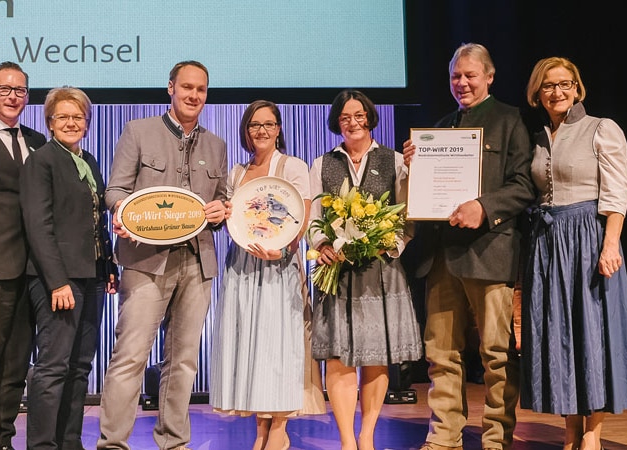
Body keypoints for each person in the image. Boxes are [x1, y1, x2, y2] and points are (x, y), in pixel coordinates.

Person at [402, 43, 535, 450]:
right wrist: (414, 167)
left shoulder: (510, 120)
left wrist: (484, 207)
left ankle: (496, 438)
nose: (462, 83)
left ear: (489, 77)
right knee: (440, 352)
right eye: (455, 76)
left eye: (470, 75)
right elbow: (425, 194)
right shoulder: (439, 128)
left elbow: (524, 185)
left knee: (496, 353)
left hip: (489, 251)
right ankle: (444, 436)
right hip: (441, 256)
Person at [97, 60, 230, 450]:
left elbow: (222, 200)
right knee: (130, 356)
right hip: (145, 260)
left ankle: (174, 442)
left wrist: (222, 211)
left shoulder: (216, 145)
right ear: (170, 88)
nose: (193, 95)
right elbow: (115, 190)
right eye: (186, 87)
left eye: (201, 89)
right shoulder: (138, 131)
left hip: (198, 261)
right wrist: (121, 211)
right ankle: (112, 444)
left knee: (184, 361)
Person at [520, 57, 627, 450]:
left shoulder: (601, 128)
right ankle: (571, 430)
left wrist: (610, 244)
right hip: (548, 243)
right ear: (537, 93)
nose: (557, 92)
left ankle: (593, 433)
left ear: (577, 88)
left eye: (565, 84)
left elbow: (617, 191)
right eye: (548, 85)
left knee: (593, 334)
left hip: (589, 238)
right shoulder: (538, 137)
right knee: (560, 336)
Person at [309, 89, 422, 450]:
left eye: (359, 115)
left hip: (382, 271)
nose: (353, 122)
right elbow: (313, 218)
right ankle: (346, 440)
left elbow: (407, 216)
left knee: (376, 358)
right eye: (345, 117)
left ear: (370, 118)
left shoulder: (395, 161)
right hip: (338, 272)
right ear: (336, 122)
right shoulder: (322, 163)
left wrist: (393, 243)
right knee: (339, 358)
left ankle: (367, 436)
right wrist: (321, 245)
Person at [210, 100, 325, 450]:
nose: (262, 130)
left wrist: (284, 250)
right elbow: (234, 220)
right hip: (242, 267)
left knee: (280, 348)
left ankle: (279, 428)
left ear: (278, 129)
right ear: (246, 130)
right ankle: (261, 430)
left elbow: (302, 216)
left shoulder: (293, 166)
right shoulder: (236, 173)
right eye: (255, 125)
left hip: (280, 265)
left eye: (269, 124)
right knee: (253, 347)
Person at [19, 86, 119, 449]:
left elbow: (96, 220)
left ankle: (69, 442)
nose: (71, 123)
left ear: (88, 123)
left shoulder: (89, 160)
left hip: (92, 276)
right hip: (59, 281)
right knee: (53, 367)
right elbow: (38, 226)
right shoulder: (41, 161)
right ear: (49, 122)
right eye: (63, 116)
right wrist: (57, 281)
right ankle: (43, 445)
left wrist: (109, 264)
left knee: (80, 367)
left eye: (78, 117)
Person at [0, 61, 47, 450]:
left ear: (27, 97)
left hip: (33, 270)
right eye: (5, 89)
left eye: (19, 91)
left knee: (17, 363)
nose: (12, 96)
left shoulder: (38, 141)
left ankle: (4, 436)